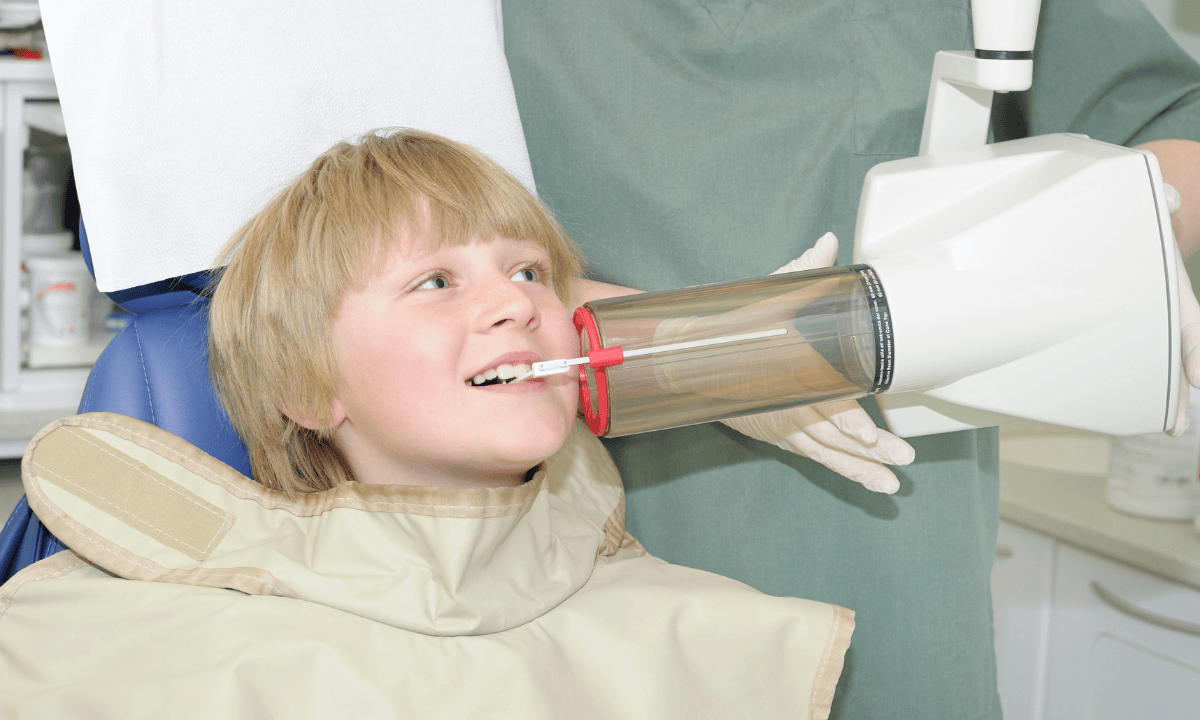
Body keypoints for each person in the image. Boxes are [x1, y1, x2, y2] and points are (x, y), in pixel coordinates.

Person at [0, 129, 855, 718]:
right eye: (435, 283)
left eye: (529, 270)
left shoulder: (697, 634)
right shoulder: (160, 659)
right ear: (307, 389)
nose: (514, 303)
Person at [500, 1, 1200, 718]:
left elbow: (1171, 115)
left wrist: (1131, 231)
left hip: (884, 561)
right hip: (566, 544)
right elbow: (407, 241)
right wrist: (696, 354)